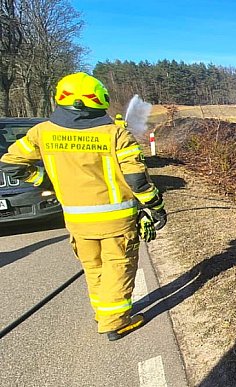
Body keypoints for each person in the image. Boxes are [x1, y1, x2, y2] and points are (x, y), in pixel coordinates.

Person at [0, 72, 166, 341]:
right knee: (118, 267)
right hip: (116, 221)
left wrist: (46, 181)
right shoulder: (115, 134)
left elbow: (10, 163)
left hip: (76, 221)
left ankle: (103, 313)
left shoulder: (42, 132)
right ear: (97, 100)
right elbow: (136, 179)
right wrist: (155, 206)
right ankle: (116, 322)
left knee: (94, 267)